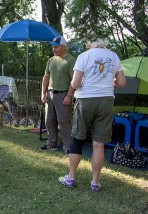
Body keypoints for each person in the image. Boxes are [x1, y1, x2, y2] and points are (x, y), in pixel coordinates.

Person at [58, 38, 126, 192]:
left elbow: (75, 83)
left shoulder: (84, 56)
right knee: (98, 143)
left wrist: (79, 84)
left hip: (86, 100)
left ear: (89, 44)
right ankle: (95, 182)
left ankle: (71, 178)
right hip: (106, 101)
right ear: (104, 43)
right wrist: (111, 81)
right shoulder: (113, 56)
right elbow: (121, 82)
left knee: (77, 139)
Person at [40, 36, 76, 155]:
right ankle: (51, 143)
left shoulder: (71, 60)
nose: (54, 49)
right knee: (49, 120)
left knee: (64, 121)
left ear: (64, 47)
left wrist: (69, 96)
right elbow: (46, 77)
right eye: (53, 46)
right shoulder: (51, 60)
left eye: (56, 46)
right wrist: (43, 93)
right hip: (50, 94)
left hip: (63, 94)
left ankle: (68, 146)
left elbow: (74, 80)